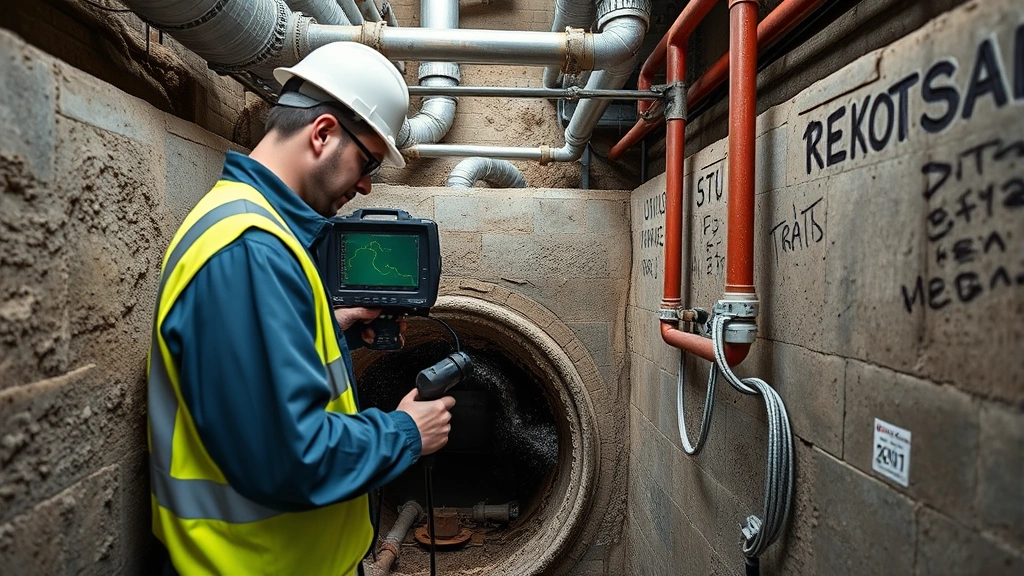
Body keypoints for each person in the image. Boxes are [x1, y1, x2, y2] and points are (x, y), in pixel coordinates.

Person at [146, 42, 456, 576]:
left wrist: (331, 330)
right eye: (368, 163)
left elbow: (249, 388)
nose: (364, 185)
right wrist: (407, 431)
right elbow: (290, 456)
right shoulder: (249, 250)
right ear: (323, 133)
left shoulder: (251, 227)